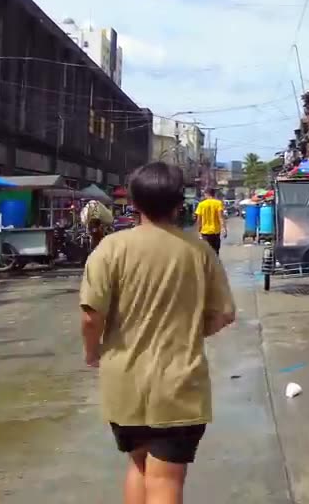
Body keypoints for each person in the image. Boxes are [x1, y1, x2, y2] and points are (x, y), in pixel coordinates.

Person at [80, 162, 236, 504]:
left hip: (124, 382)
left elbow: (92, 317)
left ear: (133, 203)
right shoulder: (199, 251)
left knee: (140, 467)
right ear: (179, 204)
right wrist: (191, 331)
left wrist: (93, 353)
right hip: (179, 383)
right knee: (165, 478)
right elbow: (224, 314)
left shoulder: (109, 249)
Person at [194, 188, 225, 255]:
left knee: (206, 252)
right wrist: (224, 229)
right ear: (214, 194)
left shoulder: (201, 204)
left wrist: (198, 231)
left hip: (205, 232)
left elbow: (199, 220)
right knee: (215, 252)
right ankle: (215, 264)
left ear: (206, 194)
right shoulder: (218, 203)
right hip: (215, 231)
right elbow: (221, 218)